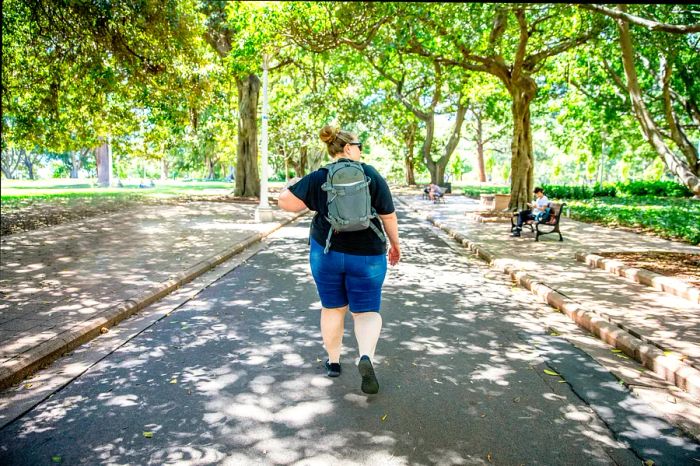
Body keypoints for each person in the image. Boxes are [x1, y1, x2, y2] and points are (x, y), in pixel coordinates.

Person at [277, 125, 400, 395]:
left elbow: (284, 201)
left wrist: (314, 202)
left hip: (327, 252)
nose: (361, 151)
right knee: (366, 312)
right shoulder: (371, 174)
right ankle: (365, 356)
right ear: (347, 148)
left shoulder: (320, 176)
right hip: (367, 256)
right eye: (359, 146)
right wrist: (395, 245)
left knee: (333, 308)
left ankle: (333, 362)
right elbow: (388, 215)